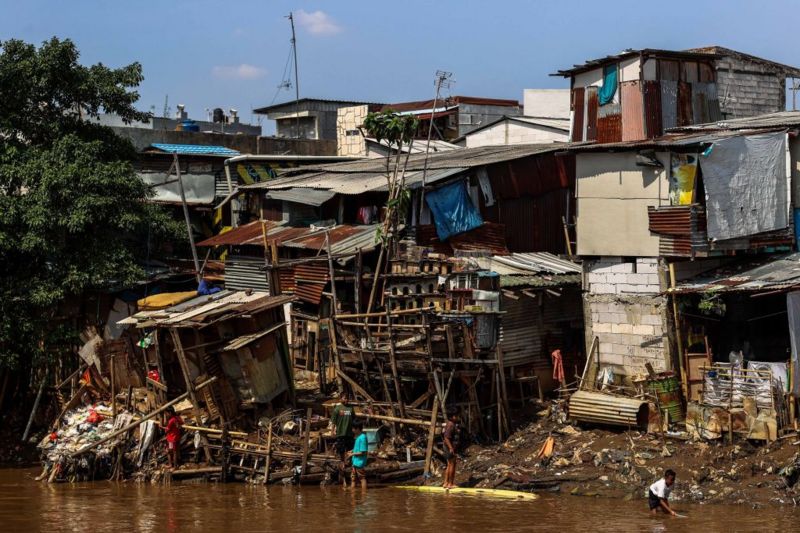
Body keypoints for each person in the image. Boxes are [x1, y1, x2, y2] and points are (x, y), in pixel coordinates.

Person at [331, 393, 355, 487]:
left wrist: (354, 430)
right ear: (340, 398)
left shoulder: (351, 408)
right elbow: (333, 421)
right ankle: (342, 462)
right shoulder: (337, 409)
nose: (347, 399)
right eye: (345, 398)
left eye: (347, 398)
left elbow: (353, 419)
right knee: (341, 450)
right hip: (340, 433)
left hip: (349, 433)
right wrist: (332, 431)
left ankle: (349, 462)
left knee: (350, 449)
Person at [442, 407, 460, 489]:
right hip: (449, 448)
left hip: (448, 447)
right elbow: (446, 437)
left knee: (449, 465)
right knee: (452, 465)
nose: (457, 417)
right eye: (456, 416)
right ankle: (450, 484)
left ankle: (446, 483)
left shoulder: (450, 424)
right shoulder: (451, 425)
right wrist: (451, 448)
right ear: (453, 416)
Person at [348, 420, 369, 491]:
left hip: (359, 462)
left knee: (362, 478)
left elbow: (362, 452)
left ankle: (364, 493)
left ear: (357, 428)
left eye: (353, 428)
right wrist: (352, 451)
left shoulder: (363, 438)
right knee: (353, 478)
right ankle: (352, 493)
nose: (352, 430)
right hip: (355, 462)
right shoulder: (358, 437)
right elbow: (357, 448)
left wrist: (352, 454)